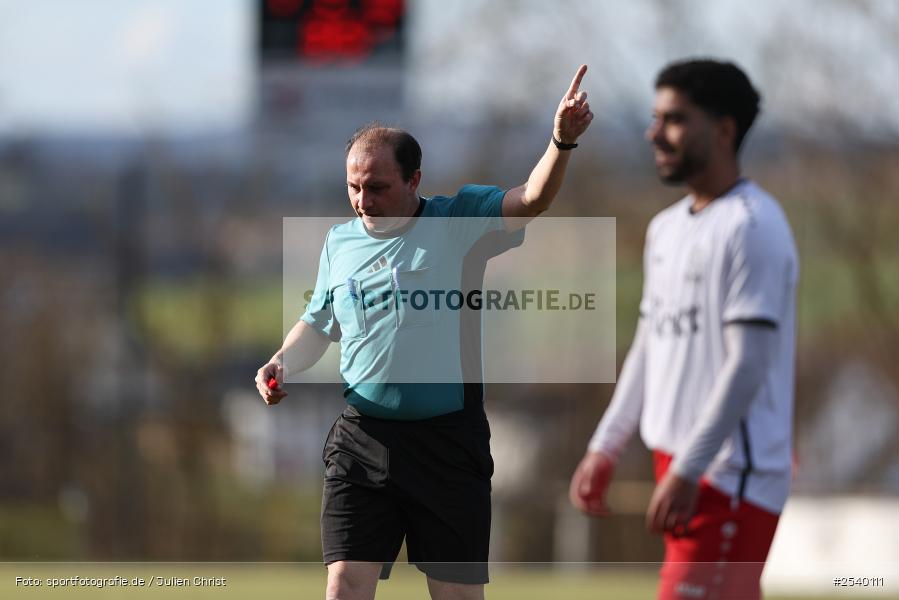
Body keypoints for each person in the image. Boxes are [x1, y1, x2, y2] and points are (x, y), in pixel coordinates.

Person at [256, 66, 593, 600]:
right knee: (343, 586)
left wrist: (562, 142)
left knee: (455, 595)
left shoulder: (459, 220)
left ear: (414, 180)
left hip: (446, 443)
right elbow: (319, 323)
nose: (363, 201)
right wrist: (282, 362)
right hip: (361, 439)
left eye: (377, 188)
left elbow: (533, 198)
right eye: (353, 187)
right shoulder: (338, 242)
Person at [569, 59, 798, 600]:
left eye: (674, 119)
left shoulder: (754, 226)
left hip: (729, 474)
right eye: (656, 118)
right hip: (681, 465)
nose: (655, 133)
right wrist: (606, 445)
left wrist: (690, 470)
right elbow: (651, 346)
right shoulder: (666, 229)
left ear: (723, 130)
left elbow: (748, 365)